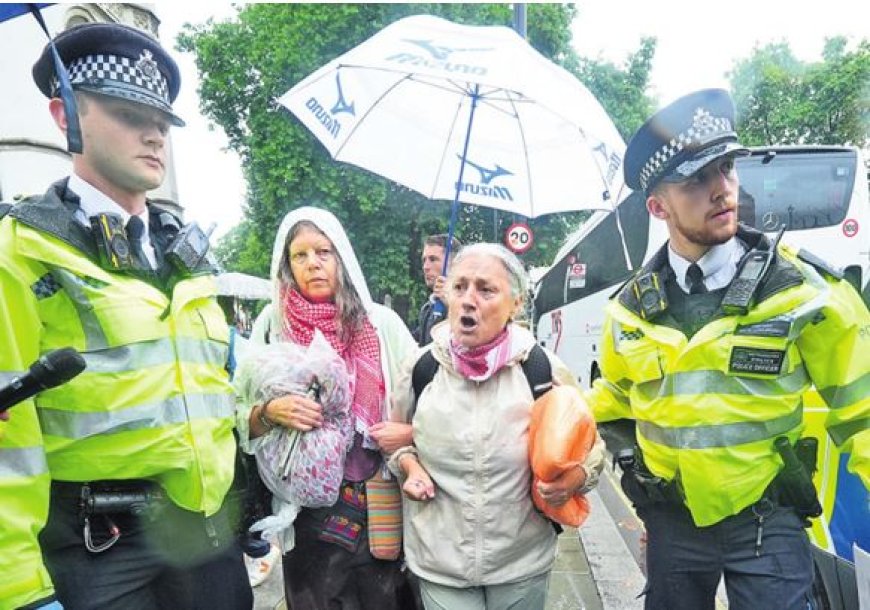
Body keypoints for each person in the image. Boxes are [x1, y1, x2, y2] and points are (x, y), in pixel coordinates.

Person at [0, 22, 253, 609]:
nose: (154, 135)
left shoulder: (187, 256)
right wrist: (20, 590)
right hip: (97, 554)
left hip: (206, 537)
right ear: (65, 117)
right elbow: (7, 439)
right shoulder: (22, 249)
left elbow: (208, 401)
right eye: (127, 114)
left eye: (162, 122)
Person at [587, 88, 870, 609]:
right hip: (673, 525)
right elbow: (612, 407)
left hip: (769, 523)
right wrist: (636, 476)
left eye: (727, 170)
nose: (723, 190)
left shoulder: (800, 291)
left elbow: (864, 407)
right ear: (658, 205)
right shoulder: (629, 311)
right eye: (697, 180)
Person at [389, 243, 606, 610]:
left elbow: (592, 446)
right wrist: (409, 467)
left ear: (515, 304)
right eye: (460, 287)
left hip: (521, 562)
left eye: (486, 289)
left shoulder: (540, 369)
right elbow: (395, 441)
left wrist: (575, 479)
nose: (469, 300)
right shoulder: (420, 369)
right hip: (440, 562)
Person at [239, 206, 418, 609]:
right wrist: (270, 412)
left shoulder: (380, 324)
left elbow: (430, 400)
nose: (313, 264)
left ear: (342, 257)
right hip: (304, 510)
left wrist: (409, 434)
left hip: (378, 498)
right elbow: (239, 416)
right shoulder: (273, 324)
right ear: (286, 265)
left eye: (324, 252)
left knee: (385, 598)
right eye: (299, 255)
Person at [413, 233, 462, 346]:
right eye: (424, 260)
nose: (425, 267)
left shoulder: (470, 303)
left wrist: (451, 304)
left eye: (433, 259)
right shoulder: (428, 308)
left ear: (454, 264)